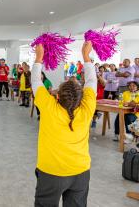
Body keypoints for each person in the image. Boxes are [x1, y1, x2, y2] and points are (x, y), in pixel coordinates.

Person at [32, 41, 96, 207]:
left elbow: (35, 81)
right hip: (81, 171)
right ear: (81, 97)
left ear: (57, 96)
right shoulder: (87, 107)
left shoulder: (48, 107)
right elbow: (91, 81)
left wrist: (39, 57)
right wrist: (86, 57)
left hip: (51, 172)